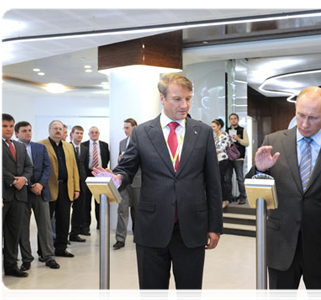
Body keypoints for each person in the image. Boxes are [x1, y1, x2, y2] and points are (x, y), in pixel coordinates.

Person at [92, 73, 222, 300]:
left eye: (188, 99)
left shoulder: (201, 132)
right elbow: (127, 168)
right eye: (177, 99)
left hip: (190, 228)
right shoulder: (142, 132)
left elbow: (213, 182)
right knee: (152, 293)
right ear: (162, 98)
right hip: (151, 227)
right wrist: (117, 179)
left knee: (190, 294)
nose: (185, 105)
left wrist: (215, 225)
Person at [246, 87, 321, 300]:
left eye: (313, 118)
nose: (304, 124)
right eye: (300, 115)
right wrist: (260, 170)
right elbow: (253, 192)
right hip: (281, 244)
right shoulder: (274, 140)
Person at [15, 121, 60, 270]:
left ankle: (48, 257)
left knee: (45, 226)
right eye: (24, 131)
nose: (28, 133)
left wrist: (40, 184)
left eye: (29, 130)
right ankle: (26, 259)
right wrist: (28, 185)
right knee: (23, 228)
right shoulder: (13, 149)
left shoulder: (40, 147)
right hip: (22, 193)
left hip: (40, 192)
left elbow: (48, 167)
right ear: (17, 134)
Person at [39, 120, 80, 258]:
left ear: (63, 131)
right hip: (48, 189)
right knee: (45, 222)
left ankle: (61, 248)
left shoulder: (68, 146)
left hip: (66, 188)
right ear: (49, 130)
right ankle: (43, 251)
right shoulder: (41, 145)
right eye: (55, 128)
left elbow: (74, 168)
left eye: (60, 129)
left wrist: (76, 188)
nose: (58, 131)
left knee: (63, 220)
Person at [0, 113, 33, 277]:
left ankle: (11, 266)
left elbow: (29, 166)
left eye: (11, 126)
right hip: (2, 195)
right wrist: (13, 181)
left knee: (14, 233)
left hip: (19, 197)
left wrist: (24, 179)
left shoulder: (19, 146)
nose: (8, 129)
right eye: (4, 126)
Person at [113, 118, 141, 250]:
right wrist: (120, 160)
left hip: (138, 181)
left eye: (127, 128)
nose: (125, 130)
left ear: (135, 127)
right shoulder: (122, 143)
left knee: (137, 211)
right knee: (122, 210)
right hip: (124, 182)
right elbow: (123, 164)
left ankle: (139, 236)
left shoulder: (142, 140)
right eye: (124, 128)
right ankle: (120, 239)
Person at [81, 126, 110, 233]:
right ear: (88, 134)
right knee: (86, 202)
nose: (94, 134)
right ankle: (85, 227)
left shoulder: (104, 145)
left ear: (99, 134)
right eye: (92, 132)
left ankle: (100, 225)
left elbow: (106, 159)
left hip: (100, 175)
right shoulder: (84, 145)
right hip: (87, 175)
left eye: (96, 132)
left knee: (100, 201)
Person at [69, 125, 89, 242]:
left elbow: (84, 167)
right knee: (65, 211)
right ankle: (61, 236)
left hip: (81, 183)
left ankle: (74, 233)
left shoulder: (85, 149)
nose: (79, 135)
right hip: (69, 183)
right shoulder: (67, 147)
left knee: (79, 210)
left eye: (81, 133)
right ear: (72, 134)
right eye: (77, 133)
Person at [225, 113, 249, 205]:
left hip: (239, 158)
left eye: (235, 118)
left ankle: (242, 196)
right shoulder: (226, 131)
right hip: (228, 158)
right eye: (231, 119)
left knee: (240, 178)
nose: (233, 120)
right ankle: (229, 197)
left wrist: (238, 139)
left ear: (238, 120)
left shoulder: (242, 130)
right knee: (227, 178)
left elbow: (247, 143)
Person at [211, 118, 232, 208]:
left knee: (220, 179)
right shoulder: (215, 136)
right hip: (216, 161)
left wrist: (211, 150)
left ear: (219, 126)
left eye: (214, 126)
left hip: (223, 160)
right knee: (217, 180)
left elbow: (221, 148)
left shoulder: (224, 135)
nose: (212, 128)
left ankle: (225, 199)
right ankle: (219, 199)